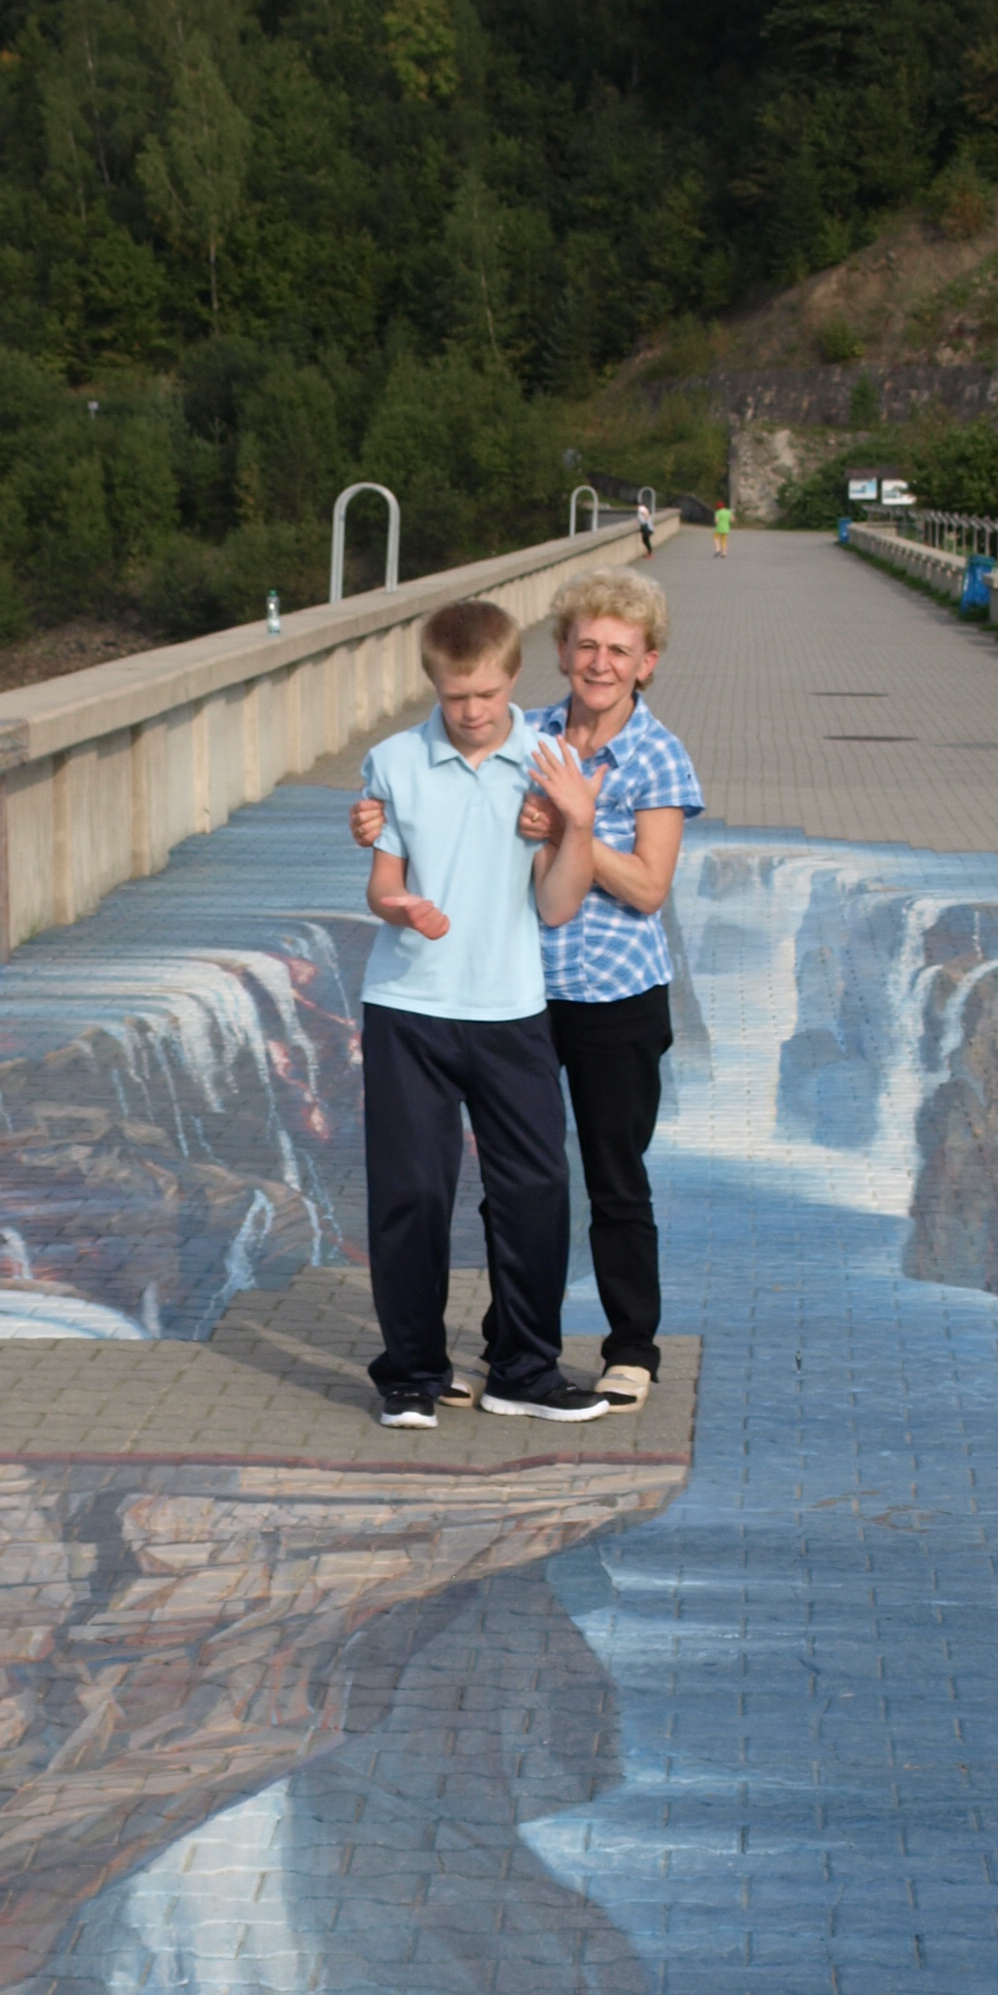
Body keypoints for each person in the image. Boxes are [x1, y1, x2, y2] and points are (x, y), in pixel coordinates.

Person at [354, 563, 701, 1409]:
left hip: (611, 995)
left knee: (608, 1177)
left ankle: (628, 1347)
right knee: (510, 1184)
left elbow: (649, 889)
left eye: (619, 649)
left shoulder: (653, 755)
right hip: (517, 993)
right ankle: (506, 1349)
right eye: (586, 645)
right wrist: (377, 820)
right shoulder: (523, 732)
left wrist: (575, 824)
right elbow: (431, 810)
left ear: (647, 662)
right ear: (558, 653)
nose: (600, 662)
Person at [354, 599, 606, 1429]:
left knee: (537, 1190)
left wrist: (576, 823)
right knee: (412, 1195)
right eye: (456, 696)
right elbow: (382, 885)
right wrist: (401, 908)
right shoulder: (393, 761)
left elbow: (558, 905)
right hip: (408, 1008)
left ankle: (524, 1370)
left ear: (515, 677)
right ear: (433, 683)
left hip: (510, 1009)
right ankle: (411, 1373)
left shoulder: (548, 762)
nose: (472, 712)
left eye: (489, 694)